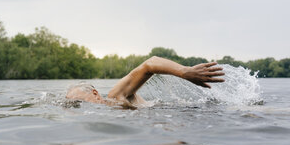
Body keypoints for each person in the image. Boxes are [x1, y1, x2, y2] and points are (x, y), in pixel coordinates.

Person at [66, 56, 225, 109]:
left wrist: (185, 72)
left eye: (79, 102)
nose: (80, 108)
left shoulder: (116, 96)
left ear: (95, 93)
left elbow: (151, 63)